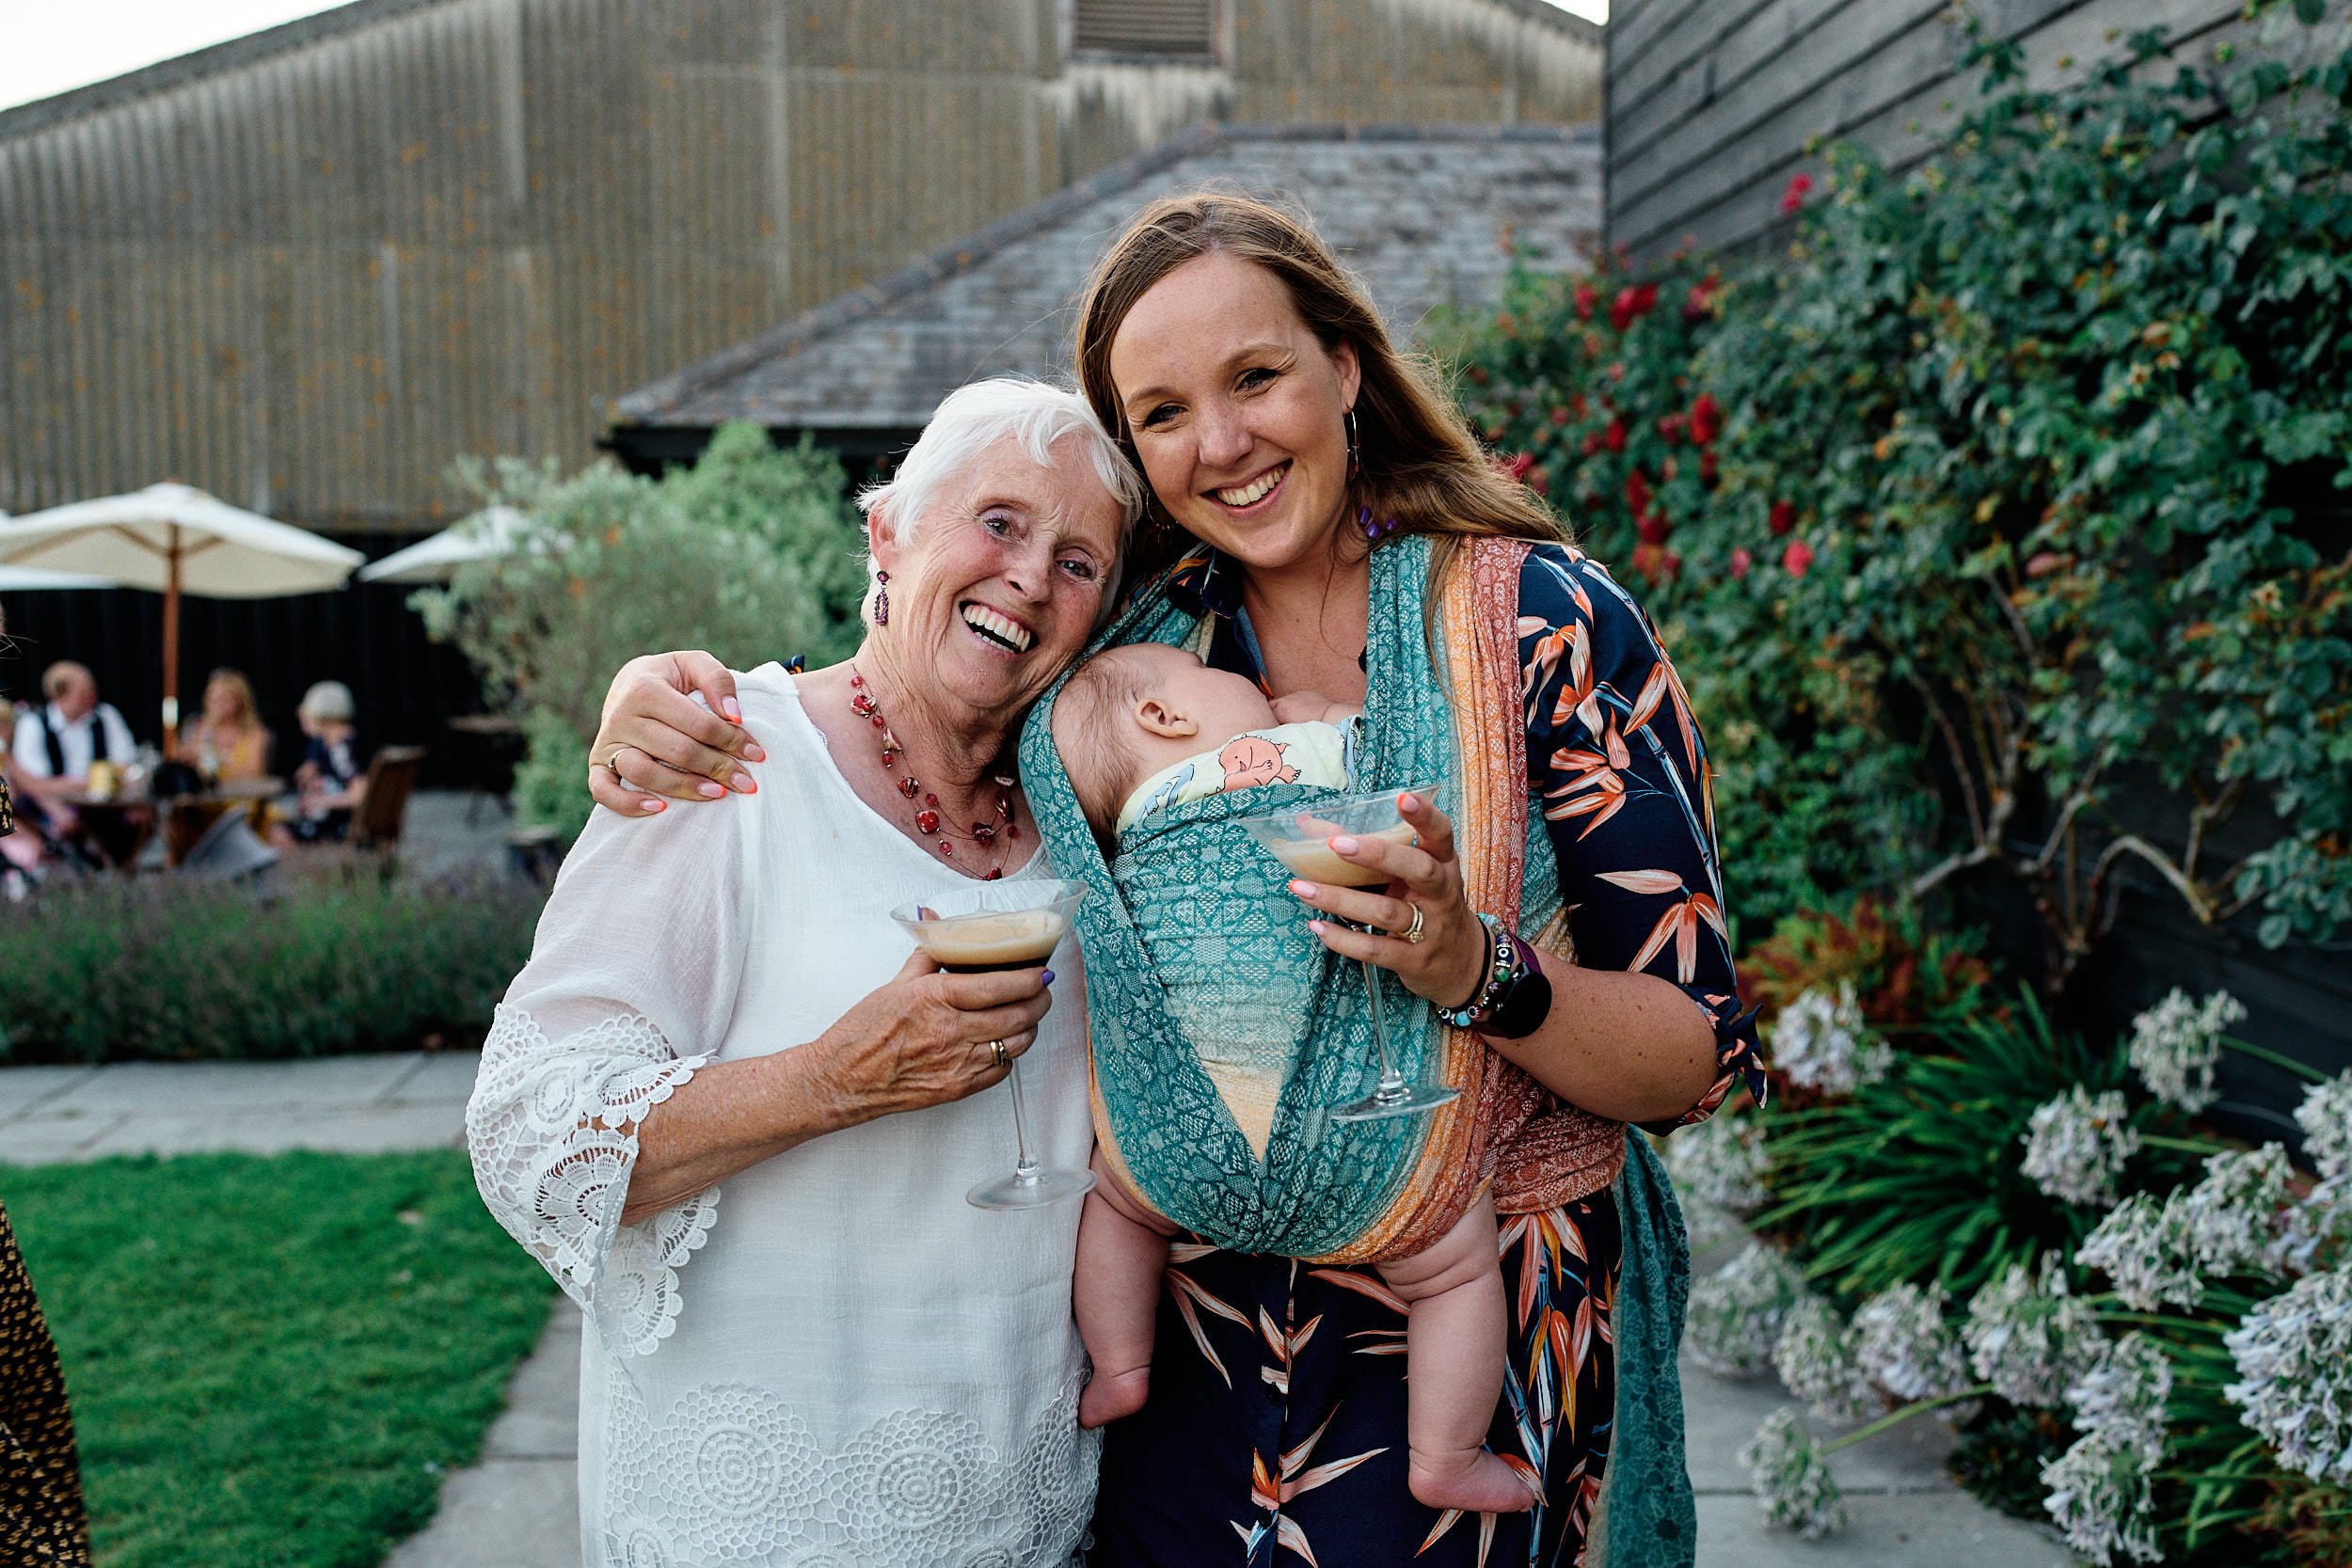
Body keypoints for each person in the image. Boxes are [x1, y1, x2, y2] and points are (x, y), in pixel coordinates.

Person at [588, 192, 1766, 1568]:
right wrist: (671, 695)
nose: (1220, 443)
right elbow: (915, 695)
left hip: (1468, 1333)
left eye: (1255, 375)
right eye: (1161, 412)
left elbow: (1691, 1059)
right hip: (1179, 1365)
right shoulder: (1136, 635)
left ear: (1343, 366)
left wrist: (1471, 963)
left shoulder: (1546, 626)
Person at [466, 379, 1143, 1567]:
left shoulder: (1082, 812)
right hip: (767, 1516)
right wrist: (833, 1077)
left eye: (1079, 559)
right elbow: (530, 1131)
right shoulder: (725, 760)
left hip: (1026, 1506)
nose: (1032, 576)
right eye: (996, 522)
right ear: (888, 534)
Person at [1055, 642, 1531, 1514]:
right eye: (1223, 678)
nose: (1258, 688)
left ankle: (1120, 1366)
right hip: (1351, 1133)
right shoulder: (1298, 752)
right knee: (1454, 1269)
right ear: (1167, 717)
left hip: (1178, 1146)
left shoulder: (1128, 831)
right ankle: (1446, 1454)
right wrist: (1323, 718)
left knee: (1116, 1204)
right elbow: (1400, 776)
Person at [9, 662, 135, 830]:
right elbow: (32, 783)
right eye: (83, 694)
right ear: (59, 696)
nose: (91, 697)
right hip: (50, 807)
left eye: (92, 691)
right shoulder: (34, 724)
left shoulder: (106, 716)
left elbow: (125, 763)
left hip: (105, 807)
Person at [278, 681, 366, 845]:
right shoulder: (336, 742)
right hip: (340, 823)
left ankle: (304, 870)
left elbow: (359, 794)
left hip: (340, 827)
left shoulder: (341, 749)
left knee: (277, 832)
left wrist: (320, 801)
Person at [180, 668, 271, 784]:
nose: (217, 704)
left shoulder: (254, 732)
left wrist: (219, 759)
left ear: (240, 701)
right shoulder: (198, 728)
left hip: (242, 797)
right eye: (213, 698)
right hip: (206, 799)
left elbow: (254, 774)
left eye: (224, 698)